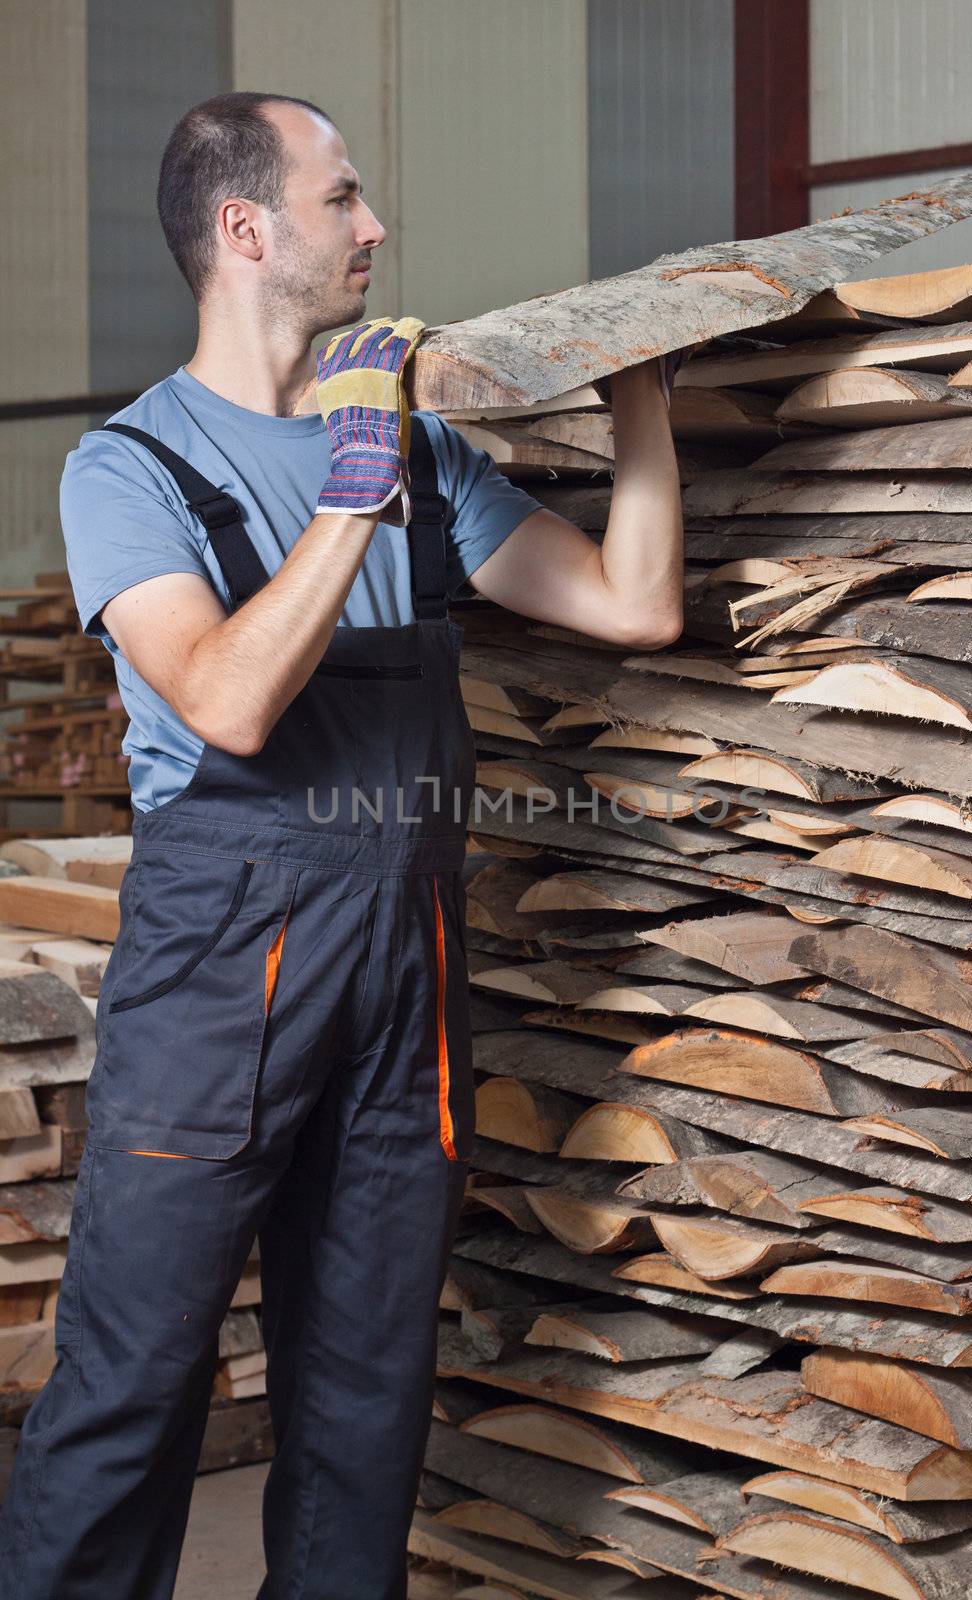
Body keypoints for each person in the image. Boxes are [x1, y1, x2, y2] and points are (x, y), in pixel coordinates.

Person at [0, 91, 683, 1600]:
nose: (375, 230)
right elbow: (231, 700)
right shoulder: (130, 469)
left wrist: (641, 387)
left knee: (366, 1395)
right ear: (246, 230)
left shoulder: (426, 457)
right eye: (342, 200)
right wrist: (350, 481)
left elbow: (634, 604)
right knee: (132, 1386)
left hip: (402, 960)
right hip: (220, 966)